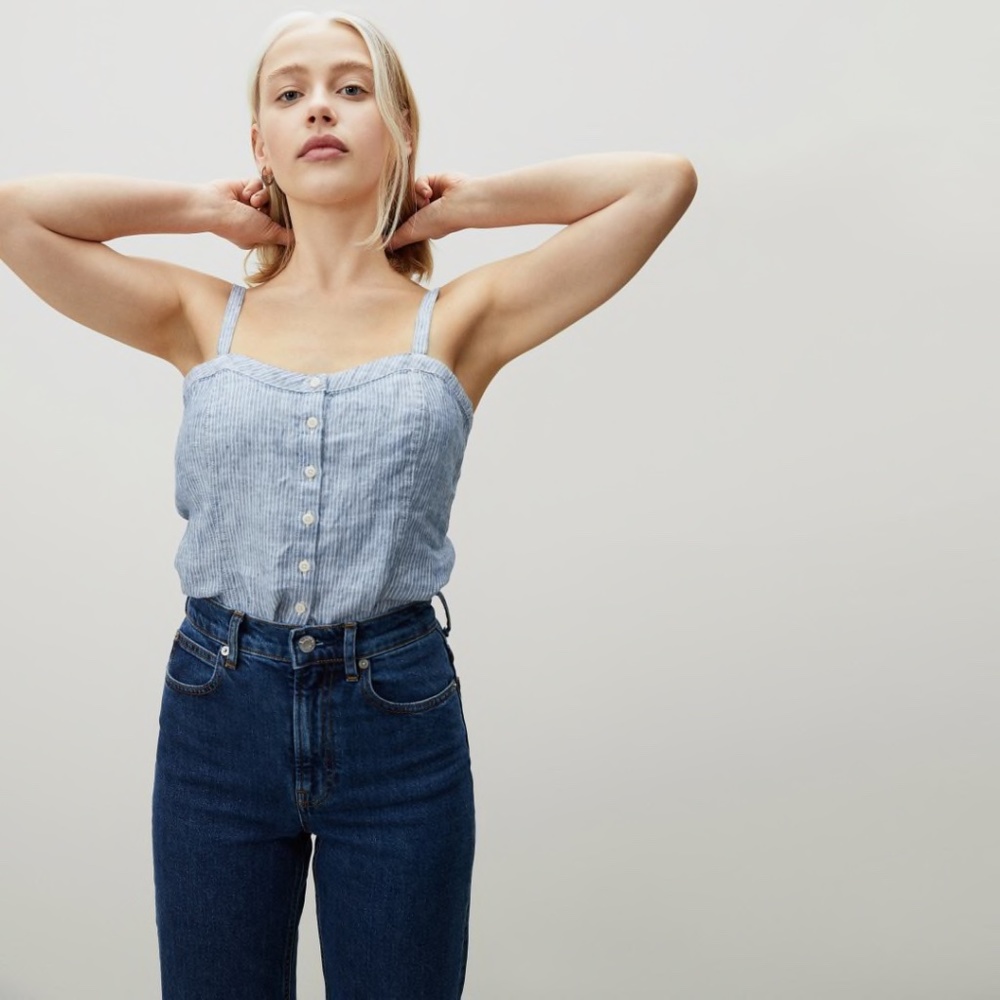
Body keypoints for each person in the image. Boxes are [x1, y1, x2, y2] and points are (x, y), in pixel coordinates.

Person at [0, 9, 697, 999]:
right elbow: (16, 214)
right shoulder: (198, 315)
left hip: (396, 715)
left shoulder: (461, 320)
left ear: (398, 126)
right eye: (290, 94)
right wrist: (205, 209)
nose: (320, 106)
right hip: (218, 712)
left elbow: (661, 183)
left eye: (352, 88)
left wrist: (464, 205)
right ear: (262, 143)